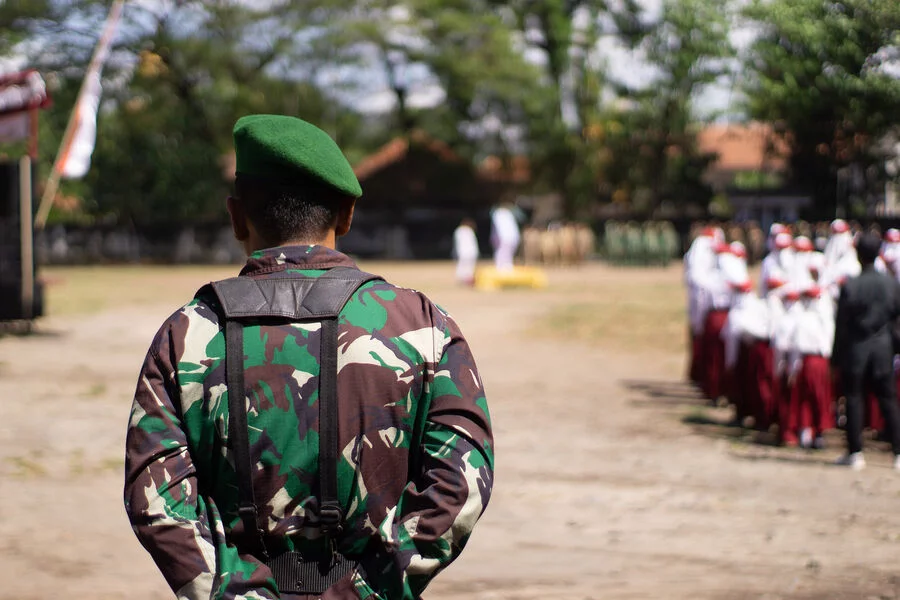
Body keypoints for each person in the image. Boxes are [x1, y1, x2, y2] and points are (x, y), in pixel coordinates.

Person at [123, 114, 495, 599]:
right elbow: (461, 478)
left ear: (236, 216)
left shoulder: (186, 334)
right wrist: (367, 590)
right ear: (347, 215)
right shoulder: (423, 325)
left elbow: (157, 499)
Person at [832, 232, 900, 470]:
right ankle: (898, 452)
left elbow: (841, 324)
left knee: (853, 399)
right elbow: (896, 316)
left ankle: (855, 452)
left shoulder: (851, 285)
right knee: (888, 400)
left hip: (856, 349)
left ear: (859, 255)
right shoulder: (890, 284)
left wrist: (836, 355)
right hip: (882, 349)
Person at [490, 203, 521, 271]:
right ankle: (506, 267)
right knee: (506, 254)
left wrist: (494, 238)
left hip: (505, 237)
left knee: (502, 254)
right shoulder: (506, 214)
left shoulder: (499, 214)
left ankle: (503, 268)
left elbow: (497, 228)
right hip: (511, 237)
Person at [452, 218, 480, 285]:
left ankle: (463, 279)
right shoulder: (468, 230)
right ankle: (467, 279)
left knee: (463, 265)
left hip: (463, 251)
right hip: (470, 251)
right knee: (468, 267)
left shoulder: (458, 231)